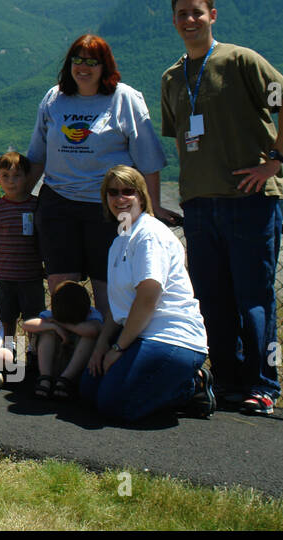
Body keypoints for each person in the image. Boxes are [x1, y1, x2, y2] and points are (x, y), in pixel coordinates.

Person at [161, 0, 283, 416]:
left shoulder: (240, 60)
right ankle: (227, 380)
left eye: (197, 13)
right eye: (182, 14)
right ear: (174, 21)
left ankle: (263, 385)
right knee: (211, 298)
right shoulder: (172, 77)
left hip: (250, 200)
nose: (190, 21)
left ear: (213, 16)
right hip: (200, 204)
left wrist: (274, 161)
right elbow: (182, 137)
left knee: (254, 297)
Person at [26, 34, 170, 317]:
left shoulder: (124, 99)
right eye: (77, 60)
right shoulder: (55, 99)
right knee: (61, 289)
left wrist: (154, 207)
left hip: (110, 208)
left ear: (105, 66)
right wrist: (18, 199)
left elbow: (148, 159)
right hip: (58, 203)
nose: (84, 67)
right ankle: (66, 355)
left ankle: (107, 353)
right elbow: (37, 156)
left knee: (109, 289)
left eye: (92, 61)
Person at [82, 165, 214, 422]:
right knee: (89, 391)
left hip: (170, 337)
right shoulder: (120, 238)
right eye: (112, 192)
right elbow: (118, 306)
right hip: (139, 335)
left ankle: (191, 386)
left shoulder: (148, 236)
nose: (119, 199)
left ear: (141, 196)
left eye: (127, 191)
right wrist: (101, 347)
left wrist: (118, 348)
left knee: (113, 406)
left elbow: (147, 298)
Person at [0, 151, 44, 351]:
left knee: (33, 319)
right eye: (5, 176)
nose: (11, 181)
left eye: (17, 175)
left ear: (27, 177)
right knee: (6, 318)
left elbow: (43, 238)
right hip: (5, 274)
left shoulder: (36, 206)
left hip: (31, 274)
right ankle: (9, 352)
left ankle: (32, 352)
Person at [23, 281, 101, 400]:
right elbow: (26, 325)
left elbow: (93, 330)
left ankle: (65, 380)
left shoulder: (91, 315)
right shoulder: (51, 315)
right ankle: (45, 378)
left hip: (75, 365)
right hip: (54, 361)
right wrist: (54, 327)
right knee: (47, 333)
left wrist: (63, 325)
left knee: (88, 338)